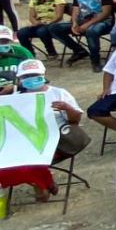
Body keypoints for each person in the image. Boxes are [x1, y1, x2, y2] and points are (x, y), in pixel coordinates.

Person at [0, 60, 83, 204]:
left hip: (56, 140)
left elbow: (75, 122)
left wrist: (67, 108)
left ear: (44, 75)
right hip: (22, 141)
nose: (31, 79)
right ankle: (41, 181)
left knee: (28, 160)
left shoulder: (58, 93)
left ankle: (40, 183)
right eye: (26, 76)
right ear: (19, 79)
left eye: (35, 75)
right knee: (8, 162)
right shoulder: (14, 96)